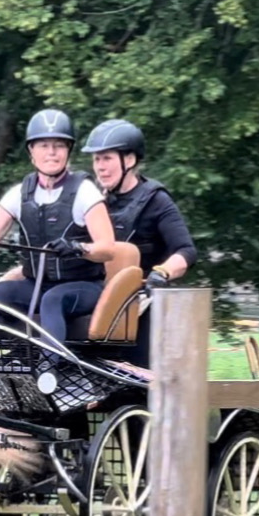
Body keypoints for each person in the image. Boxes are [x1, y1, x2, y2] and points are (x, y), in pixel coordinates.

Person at [0, 109, 115, 357]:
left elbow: (108, 249)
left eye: (59, 145)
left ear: (68, 150)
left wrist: (79, 248)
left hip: (83, 287)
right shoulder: (18, 194)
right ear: (31, 152)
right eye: (44, 145)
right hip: (36, 284)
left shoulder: (85, 192)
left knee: (53, 299)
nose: (51, 152)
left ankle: (49, 370)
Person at [80, 119, 198, 364]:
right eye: (96, 159)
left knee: (138, 379)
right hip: (97, 299)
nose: (100, 167)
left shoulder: (156, 201)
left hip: (140, 302)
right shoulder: (90, 199)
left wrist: (162, 272)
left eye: (107, 158)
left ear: (130, 160)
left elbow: (186, 251)